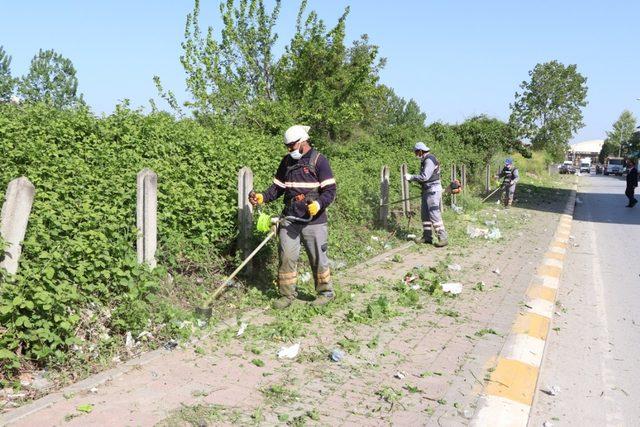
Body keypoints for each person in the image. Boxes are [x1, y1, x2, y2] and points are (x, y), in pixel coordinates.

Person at [249, 125, 337, 309]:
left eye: (291, 146)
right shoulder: (286, 162)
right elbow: (278, 188)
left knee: (318, 258)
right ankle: (287, 295)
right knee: (287, 257)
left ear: (303, 142)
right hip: (290, 218)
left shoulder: (320, 161)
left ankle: (325, 293)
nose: (289, 150)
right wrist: (263, 197)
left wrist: (319, 204)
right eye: (287, 147)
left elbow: (330, 190)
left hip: (314, 220)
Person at [404, 142, 448, 247]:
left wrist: (412, 177)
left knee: (434, 214)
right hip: (426, 191)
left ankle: (443, 238)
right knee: (425, 214)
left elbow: (425, 177)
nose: (416, 155)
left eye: (416, 152)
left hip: (432, 191)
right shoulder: (425, 159)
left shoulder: (429, 160)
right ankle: (427, 237)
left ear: (420, 151)